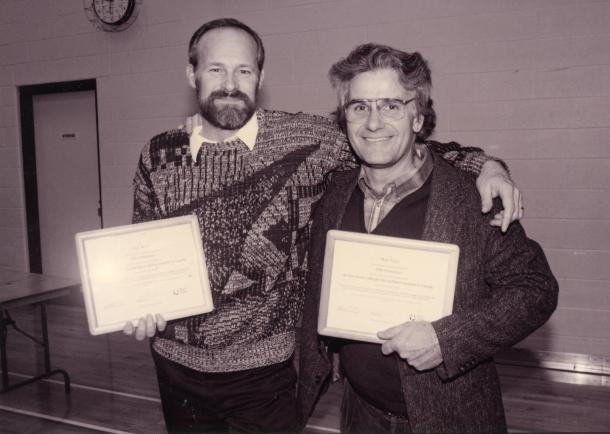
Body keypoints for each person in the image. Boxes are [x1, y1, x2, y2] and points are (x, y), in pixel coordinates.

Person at [124, 18, 524, 433]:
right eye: (215, 69)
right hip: (175, 368)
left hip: (266, 375)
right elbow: (143, 253)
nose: (230, 82)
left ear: (261, 76)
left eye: (243, 70)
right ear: (192, 74)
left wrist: (486, 164)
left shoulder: (307, 139)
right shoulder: (159, 153)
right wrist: (139, 302)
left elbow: (392, 143)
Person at [297, 43, 558, 433]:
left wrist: (446, 339)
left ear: (417, 117)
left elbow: (536, 289)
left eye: (391, 106)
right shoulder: (333, 191)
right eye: (359, 107)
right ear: (345, 116)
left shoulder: (471, 198)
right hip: (359, 413)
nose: (373, 123)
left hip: (449, 417)